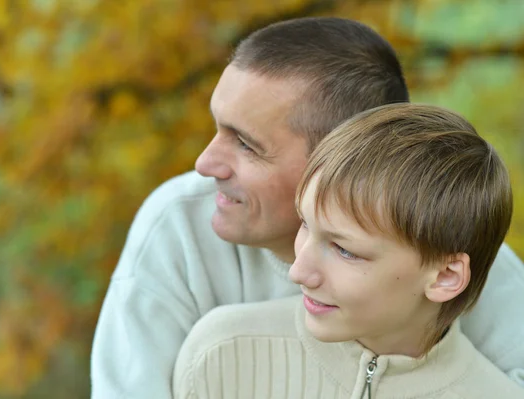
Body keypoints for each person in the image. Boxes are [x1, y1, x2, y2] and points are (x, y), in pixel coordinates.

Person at [91, 17, 524, 398]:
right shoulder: (180, 224)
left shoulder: (458, 260)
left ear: (344, 156)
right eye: (217, 127)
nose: (205, 164)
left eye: (246, 144)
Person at [173, 103, 524, 398]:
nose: (298, 271)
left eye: (345, 250)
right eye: (305, 224)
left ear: (445, 277)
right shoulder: (222, 353)